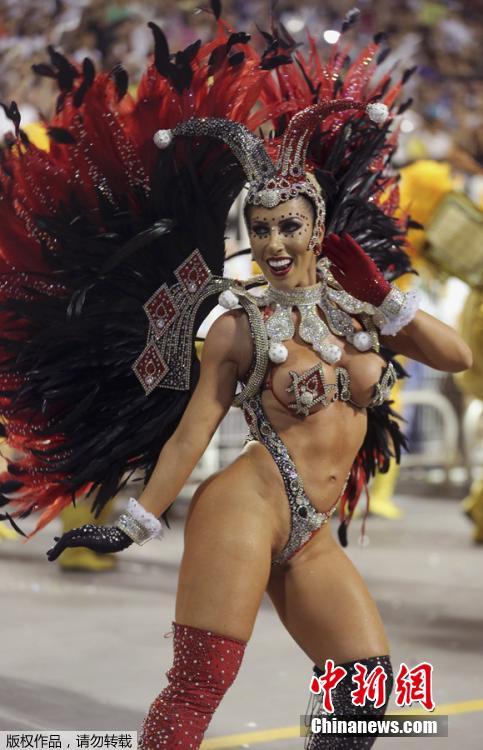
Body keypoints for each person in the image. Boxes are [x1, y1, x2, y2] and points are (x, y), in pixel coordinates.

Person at [0, 5, 472, 748]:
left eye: (289, 225)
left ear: (318, 227)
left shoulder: (360, 306)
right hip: (244, 509)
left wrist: (385, 297)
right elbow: (193, 434)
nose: (274, 243)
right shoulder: (237, 324)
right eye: (260, 227)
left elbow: (457, 357)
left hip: (311, 530)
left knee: (365, 690)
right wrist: (132, 520)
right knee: (198, 688)